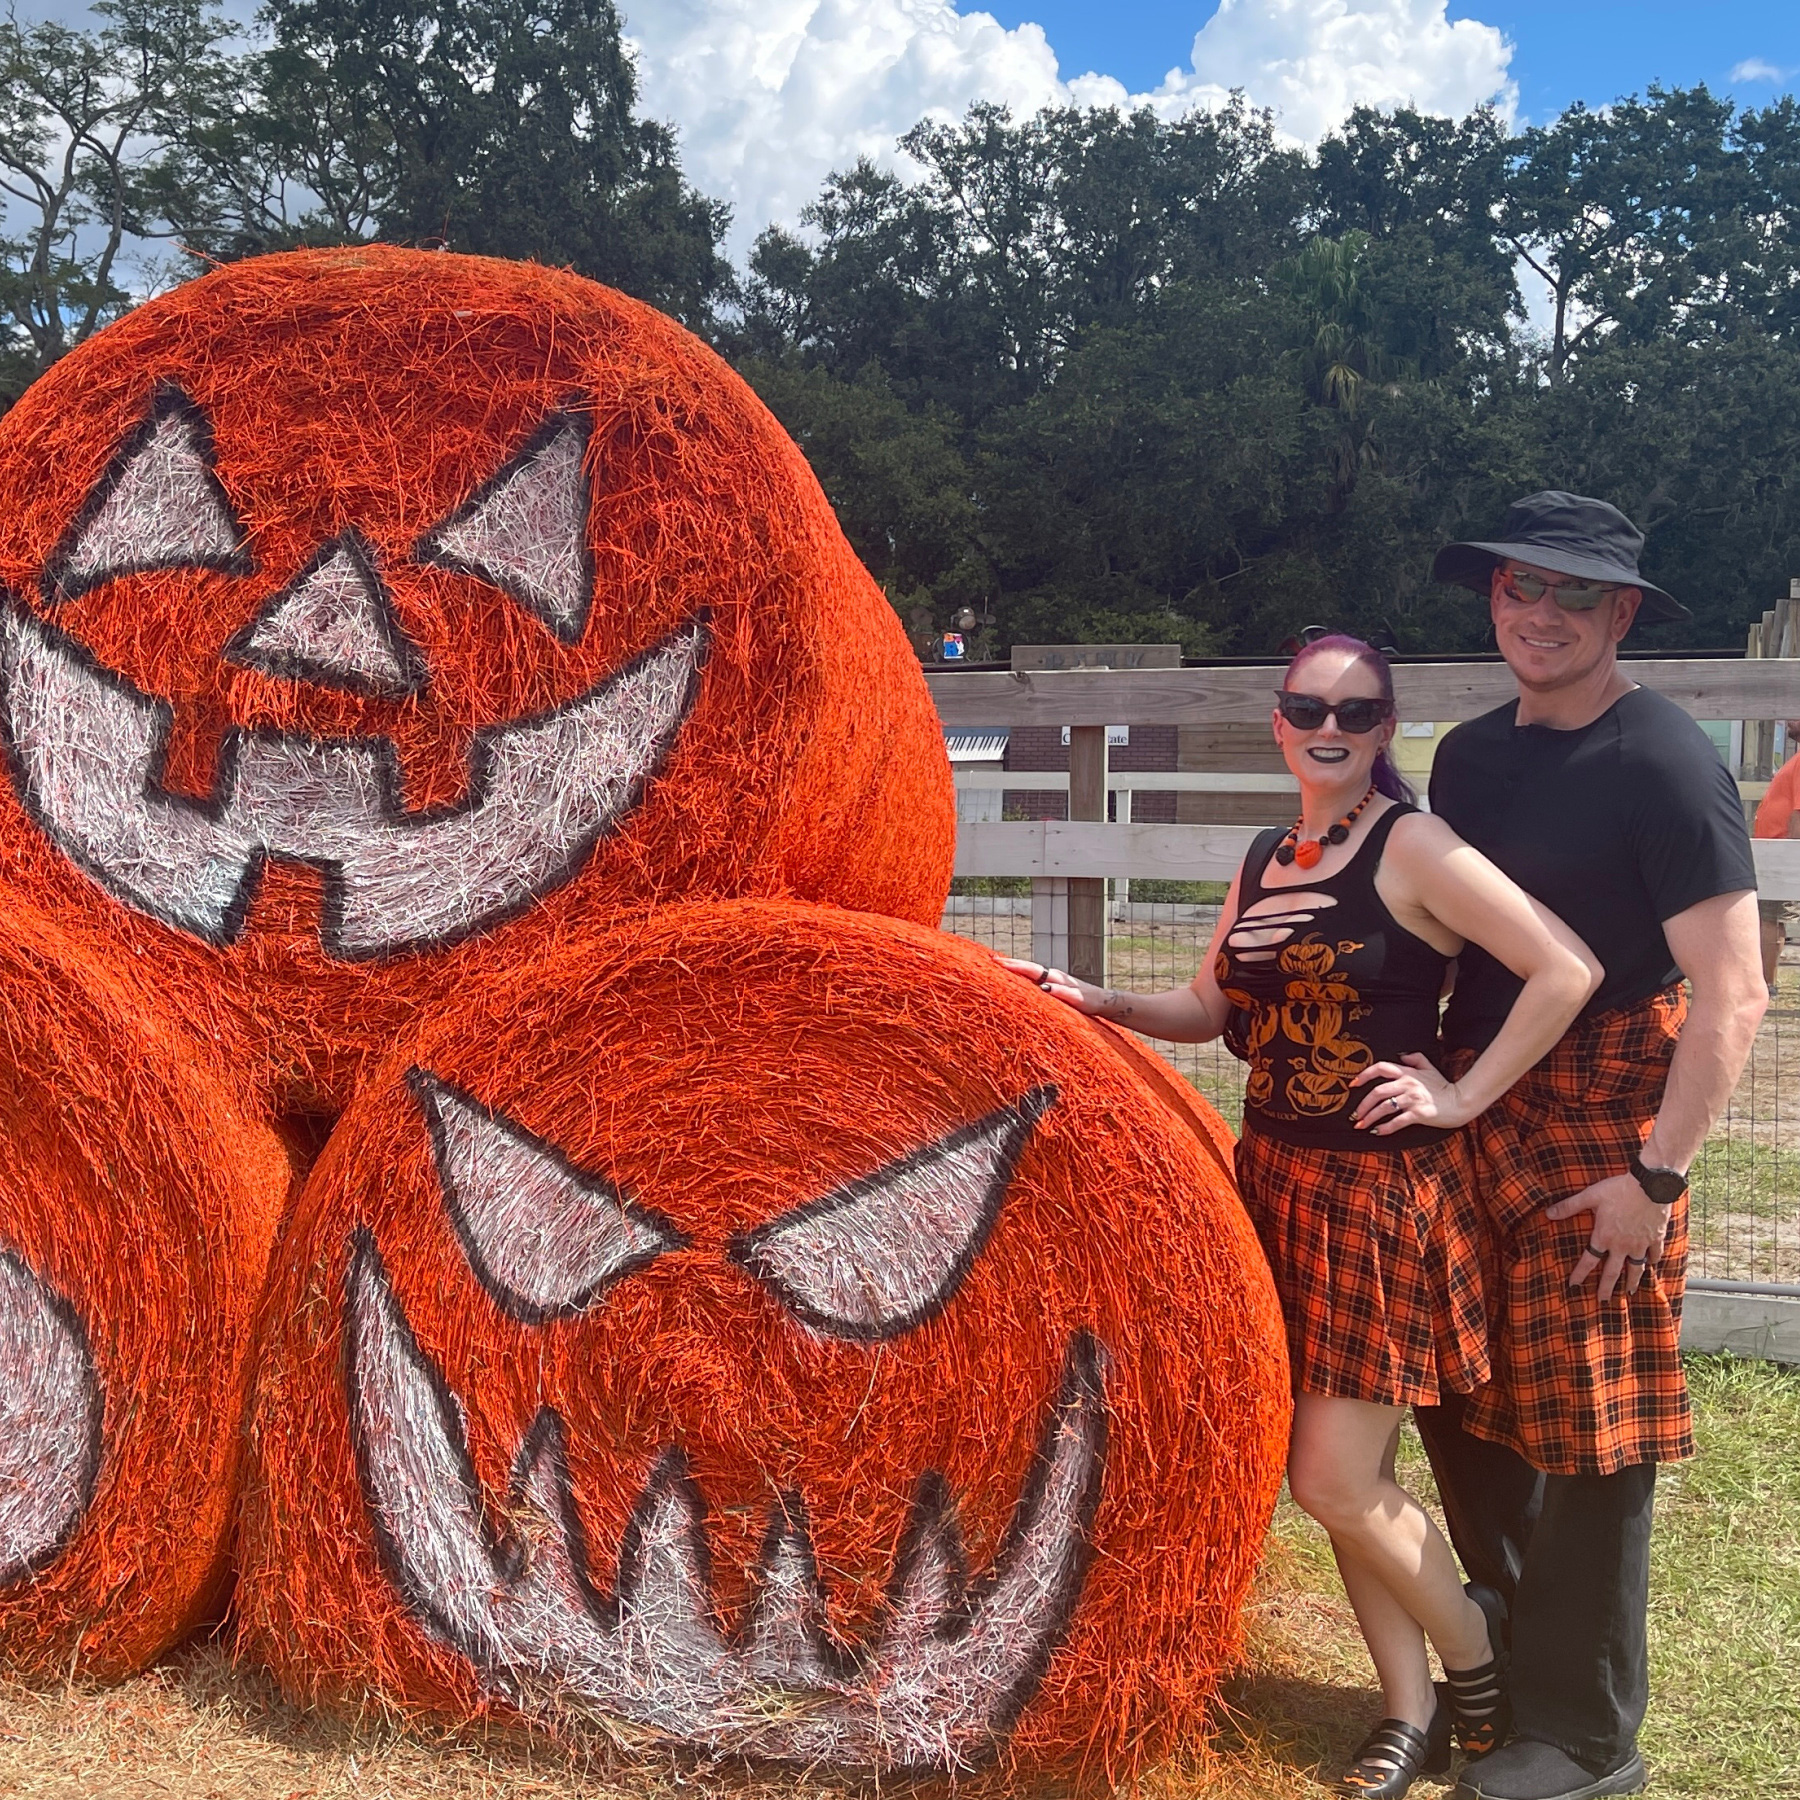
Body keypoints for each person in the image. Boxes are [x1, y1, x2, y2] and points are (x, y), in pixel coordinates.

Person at [1003, 634, 1599, 1800]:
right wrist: (1100, 1000)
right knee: (1329, 1470)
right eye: (1305, 707)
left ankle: (1473, 1645)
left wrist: (1460, 1095)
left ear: (1384, 728)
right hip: (1271, 1185)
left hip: (1377, 1199)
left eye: (1356, 710)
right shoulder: (1269, 854)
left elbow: (1562, 968)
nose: (1329, 726)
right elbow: (1209, 1000)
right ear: (1279, 721)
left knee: (1331, 1479)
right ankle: (1408, 1708)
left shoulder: (1412, 846)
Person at [1415, 492, 1766, 1800]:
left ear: (1623, 613)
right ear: (1493, 600)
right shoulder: (1470, 759)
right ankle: (1503, 1671)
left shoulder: (1664, 762)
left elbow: (1733, 991)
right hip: (1482, 1102)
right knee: (1463, 1400)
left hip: (1608, 1128)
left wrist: (1656, 1183)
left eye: (1572, 596)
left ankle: (1589, 1739)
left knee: (1592, 1441)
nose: (1540, 615)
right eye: (1520, 589)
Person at [1754, 723, 1800, 993]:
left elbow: (1798, 814)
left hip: (1780, 851)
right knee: (1769, 918)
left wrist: (1791, 856)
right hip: (1772, 850)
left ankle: (1765, 983)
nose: (1788, 721)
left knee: (1770, 919)